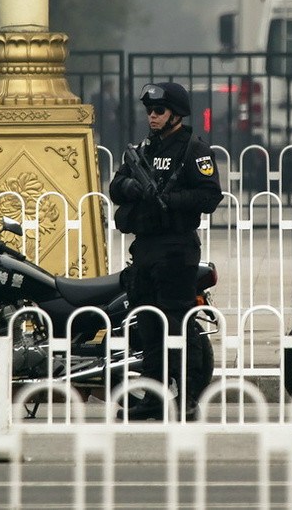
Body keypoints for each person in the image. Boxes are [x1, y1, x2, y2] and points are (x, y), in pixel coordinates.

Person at [109, 82, 223, 421]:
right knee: (149, 327)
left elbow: (209, 196)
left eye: (159, 111)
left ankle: (187, 397)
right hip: (145, 249)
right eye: (149, 111)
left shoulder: (194, 150)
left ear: (176, 114)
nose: (152, 116)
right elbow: (116, 186)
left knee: (177, 325)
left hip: (176, 249)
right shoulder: (142, 149)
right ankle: (155, 395)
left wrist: (166, 200)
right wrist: (131, 187)